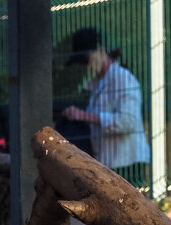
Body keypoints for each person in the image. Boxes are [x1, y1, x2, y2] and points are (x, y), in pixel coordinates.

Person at [60, 27, 151, 186]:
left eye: (85, 59)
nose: (83, 66)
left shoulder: (123, 78)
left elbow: (127, 122)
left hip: (127, 165)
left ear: (101, 51)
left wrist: (83, 116)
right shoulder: (97, 85)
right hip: (108, 165)